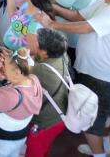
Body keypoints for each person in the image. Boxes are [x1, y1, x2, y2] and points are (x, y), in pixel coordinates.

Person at [35, 0, 110, 157]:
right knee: (101, 115)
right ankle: (106, 148)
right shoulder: (104, 1)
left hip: (104, 77)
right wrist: (51, 6)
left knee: (92, 122)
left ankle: (99, 154)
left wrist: (52, 24)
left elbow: (85, 27)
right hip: (94, 71)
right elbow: (79, 15)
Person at [0, 47, 44, 157]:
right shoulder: (33, 79)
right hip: (18, 136)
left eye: (5, 67)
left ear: (17, 72)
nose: (2, 69)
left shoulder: (10, 96)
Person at [25, 27, 71, 157]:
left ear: (44, 52)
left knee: (34, 152)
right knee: (44, 148)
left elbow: (19, 77)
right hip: (60, 114)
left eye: (35, 42)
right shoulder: (62, 55)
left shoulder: (41, 71)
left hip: (46, 122)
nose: (30, 40)